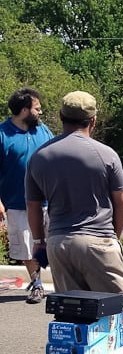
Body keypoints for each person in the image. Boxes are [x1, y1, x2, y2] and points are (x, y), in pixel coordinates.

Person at [25, 90, 123, 294]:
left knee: (73, 312)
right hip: (98, 240)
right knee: (117, 309)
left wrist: (39, 242)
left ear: (60, 116)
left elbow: (33, 206)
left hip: (59, 243)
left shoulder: (38, 157)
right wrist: (113, 237)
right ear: (93, 121)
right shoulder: (106, 155)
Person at [0, 87, 53, 303]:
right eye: (37, 109)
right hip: (17, 203)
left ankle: (63, 284)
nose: (40, 112)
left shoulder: (43, 131)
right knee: (27, 246)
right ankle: (37, 283)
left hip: (49, 201)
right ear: (24, 110)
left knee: (53, 243)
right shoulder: (3, 134)